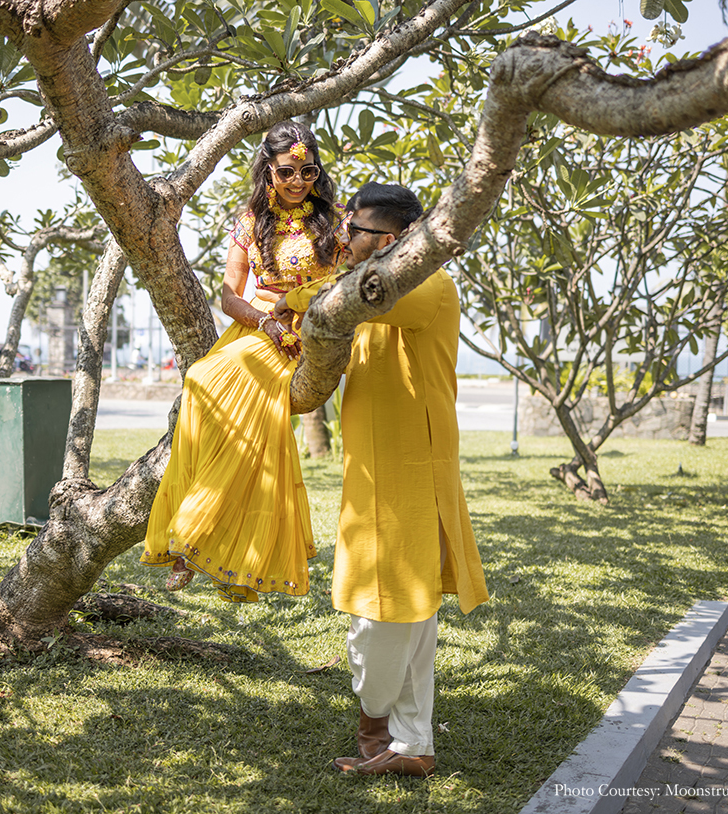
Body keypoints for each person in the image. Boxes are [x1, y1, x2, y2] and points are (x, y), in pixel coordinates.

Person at [277, 182, 489, 777]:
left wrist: (290, 293)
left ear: (391, 240)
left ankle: (375, 724)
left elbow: (337, 299)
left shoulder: (420, 285)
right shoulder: (377, 292)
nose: (342, 239)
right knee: (412, 613)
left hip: (408, 473)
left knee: (386, 612)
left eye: (355, 231)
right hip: (377, 471)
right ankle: (412, 743)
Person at [140, 121, 346, 603]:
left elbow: (350, 278)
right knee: (202, 379)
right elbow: (229, 297)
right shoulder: (250, 221)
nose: (298, 181)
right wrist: (265, 321)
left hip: (310, 329)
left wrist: (302, 312)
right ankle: (195, 532)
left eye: (308, 170)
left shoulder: (335, 219)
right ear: (268, 171)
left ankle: (195, 534)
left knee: (248, 408)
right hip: (260, 329)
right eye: (287, 172)